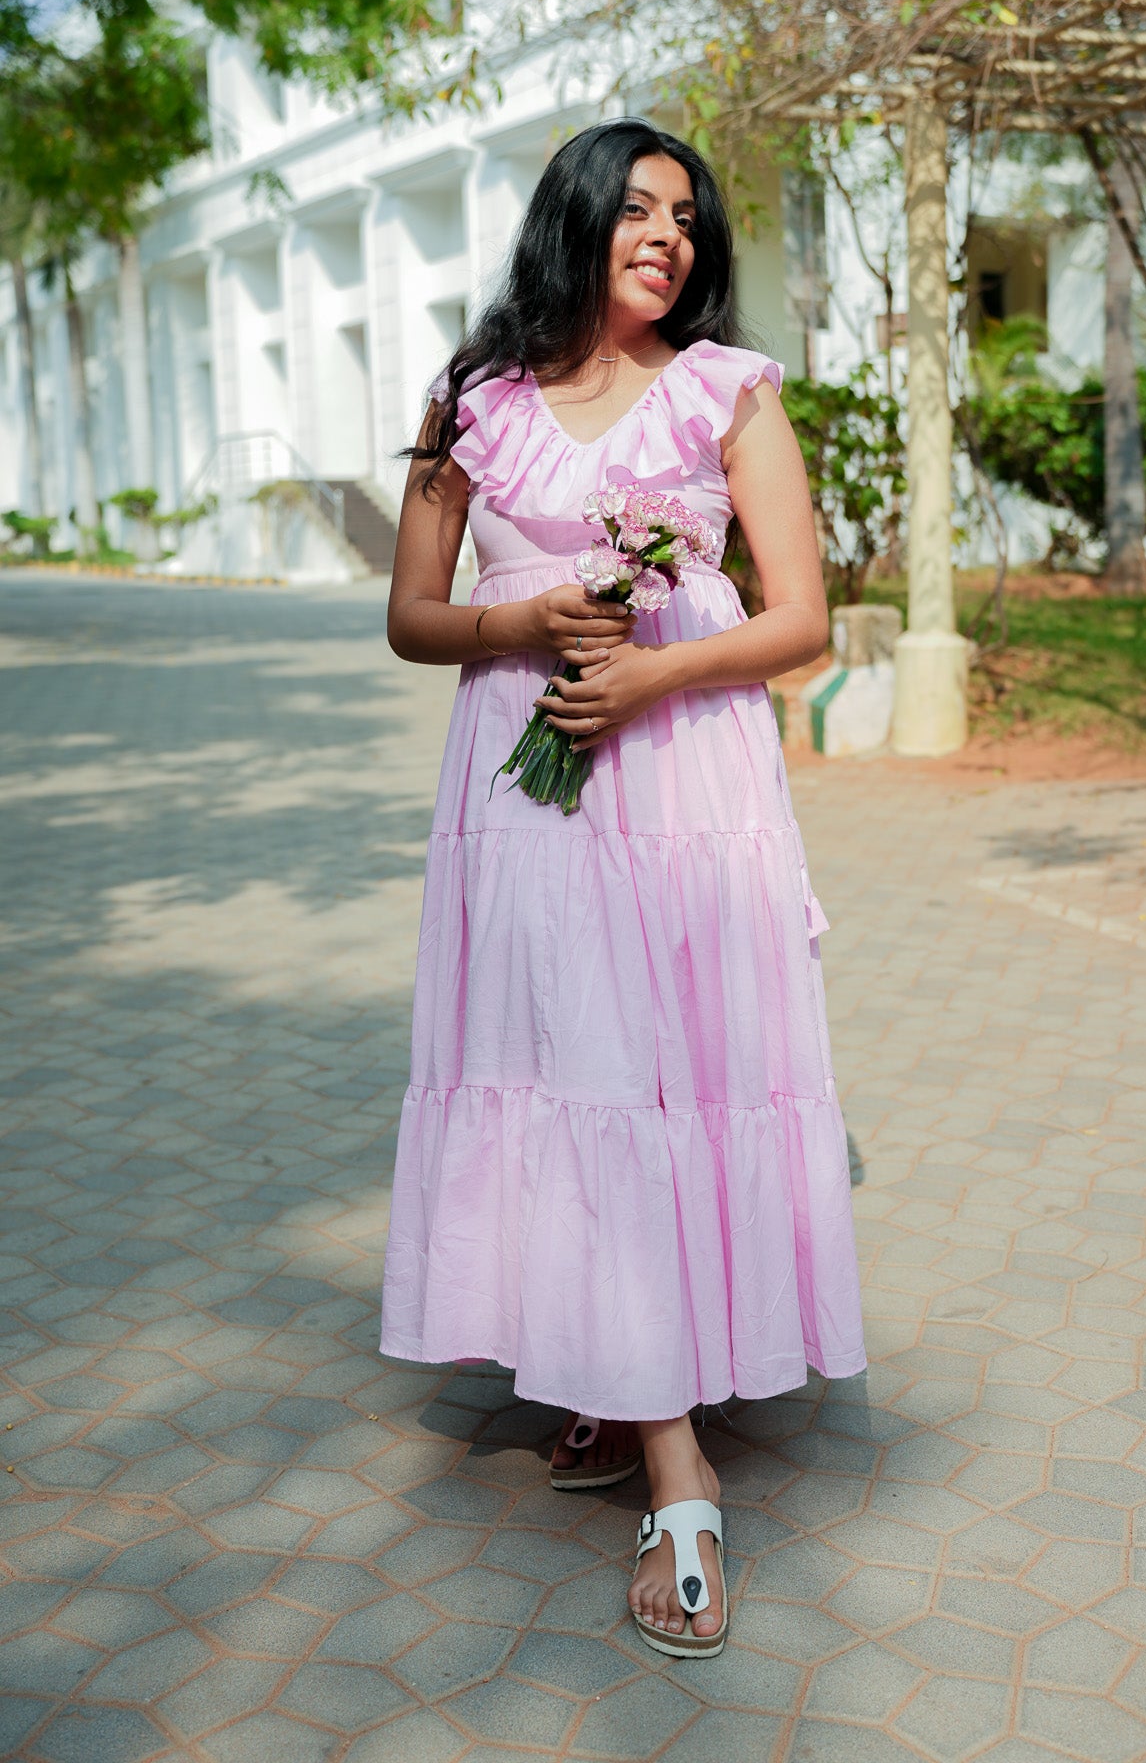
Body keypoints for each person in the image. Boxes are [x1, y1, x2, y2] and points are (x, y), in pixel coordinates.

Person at [381, 118, 865, 1657]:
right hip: (521, 789)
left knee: (653, 1076)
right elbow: (408, 615)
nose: (666, 232)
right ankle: (604, 1371)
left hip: (681, 782)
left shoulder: (730, 392)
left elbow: (803, 622)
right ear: (574, 217)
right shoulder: (474, 401)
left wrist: (649, 682)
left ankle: (676, 1463)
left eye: (687, 215)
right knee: (555, 1064)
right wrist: (522, 634)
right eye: (636, 207)